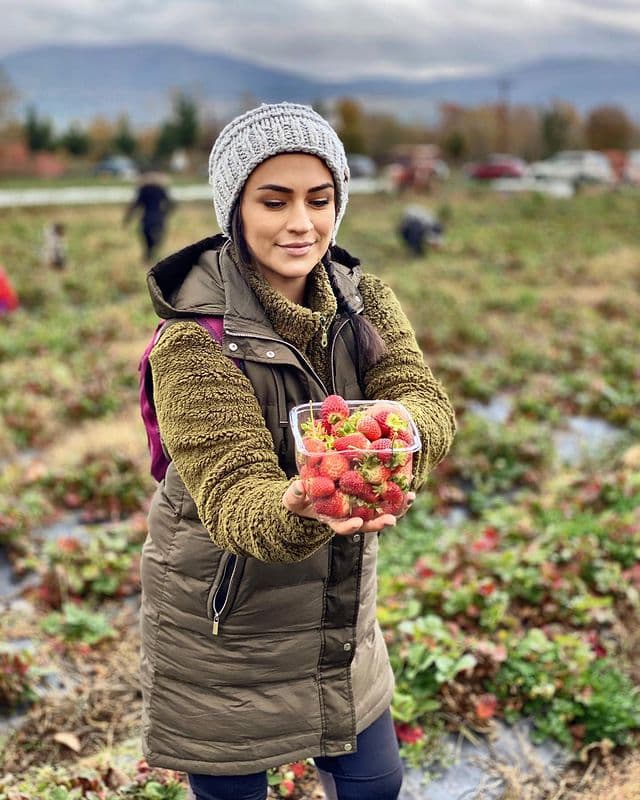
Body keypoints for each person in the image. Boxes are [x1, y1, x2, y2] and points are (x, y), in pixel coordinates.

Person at [139, 102, 456, 800]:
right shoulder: (194, 340)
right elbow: (234, 495)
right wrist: (303, 497)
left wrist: (399, 439)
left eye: (319, 199)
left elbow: (424, 401)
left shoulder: (365, 299)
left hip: (337, 614)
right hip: (222, 622)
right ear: (235, 208)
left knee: (375, 784)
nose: (301, 223)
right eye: (274, 200)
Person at [123, 169, 175, 264]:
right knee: (158, 238)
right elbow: (171, 205)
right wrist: (165, 214)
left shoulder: (143, 190)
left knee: (147, 239)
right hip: (159, 218)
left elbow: (135, 205)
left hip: (146, 218)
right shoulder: (161, 190)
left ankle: (148, 255)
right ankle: (152, 255)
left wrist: (127, 219)